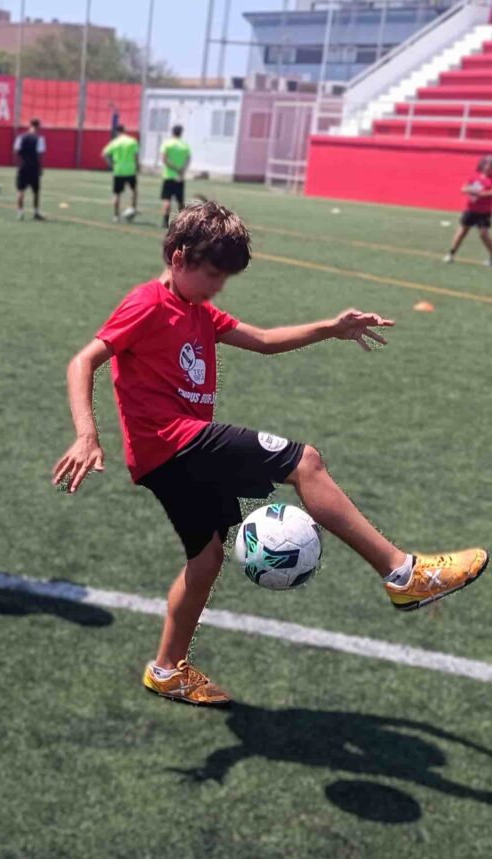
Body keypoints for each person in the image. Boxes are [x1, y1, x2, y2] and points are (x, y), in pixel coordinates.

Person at [52, 200, 487, 706]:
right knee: (305, 461)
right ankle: (403, 573)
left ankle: (167, 669)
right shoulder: (148, 303)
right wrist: (87, 433)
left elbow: (260, 340)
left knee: (207, 558)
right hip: (172, 441)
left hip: (169, 456)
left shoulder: (198, 308)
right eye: (212, 273)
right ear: (178, 257)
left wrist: (330, 327)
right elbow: (84, 361)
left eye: (225, 278)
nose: (218, 285)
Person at [443, 155, 492, 265]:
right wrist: (469, 190)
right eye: (487, 164)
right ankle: (451, 253)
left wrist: (479, 193)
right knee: (462, 232)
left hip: (484, 212)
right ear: (483, 165)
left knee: (484, 234)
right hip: (470, 209)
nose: (489, 167)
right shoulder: (475, 176)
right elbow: (463, 188)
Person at [102, 125, 140, 223]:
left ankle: (116, 215)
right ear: (124, 130)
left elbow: (104, 154)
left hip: (118, 171)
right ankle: (132, 209)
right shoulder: (132, 141)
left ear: (117, 132)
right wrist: (137, 166)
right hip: (130, 170)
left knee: (117, 194)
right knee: (134, 191)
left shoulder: (115, 142)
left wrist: (111, 165)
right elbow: (136, 156)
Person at [14, 117, 46, 221]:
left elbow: (16, 150)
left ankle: (20, 213)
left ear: (30, 125)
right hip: (34, 167)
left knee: (20, 190)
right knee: (36, 191)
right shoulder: (39, 139)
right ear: (38, 126)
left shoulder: (21, 137)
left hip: (23, 166)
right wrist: (40, 167)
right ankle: (36, 212)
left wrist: (22, 159)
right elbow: (40, 154)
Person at [160, 124, 191, 229]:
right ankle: (182, 223)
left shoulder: (167, 143)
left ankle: (165, 222)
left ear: (172, 132)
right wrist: (182, 170)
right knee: (180, 201)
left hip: (169, 176)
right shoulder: (184, 145)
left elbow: (164, 159)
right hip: (180, 177)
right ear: (181, 133)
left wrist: (174, 169)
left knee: (166, 199)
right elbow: (188, 159)